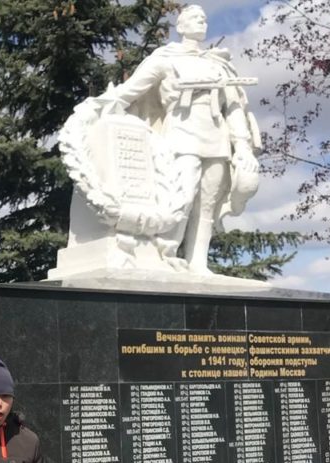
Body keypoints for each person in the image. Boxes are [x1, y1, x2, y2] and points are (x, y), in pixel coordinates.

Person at [96, 4, 261, 273]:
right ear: (181, 27)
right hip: (182, 133)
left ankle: (198, 262)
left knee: (207, 203)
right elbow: (131, 90)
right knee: (180, 198)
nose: (202, 22)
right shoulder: (165, 58)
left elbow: (233, 109)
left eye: (204, 19)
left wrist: (241, 146)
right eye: (195, 19)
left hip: (216, 137)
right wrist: (102, 108)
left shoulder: (218, 63)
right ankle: (166, 255)